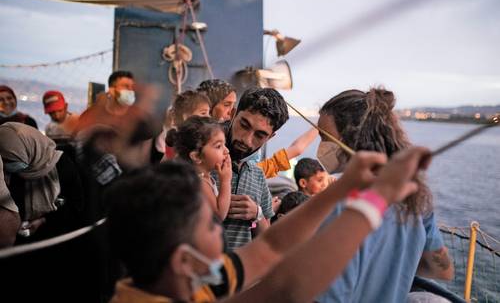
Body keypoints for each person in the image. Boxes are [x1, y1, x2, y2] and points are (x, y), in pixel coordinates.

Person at [107, 147, 433, 303]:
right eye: (209, 226)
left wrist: (342, 187)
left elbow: (269, 247)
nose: (218, 230)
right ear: (182, 260)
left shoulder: (190, 281)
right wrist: (376, 200)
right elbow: (285, 289)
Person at [316, 88, 454, 303]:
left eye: (324, 137)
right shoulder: (416, 203)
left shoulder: (341, 208)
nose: (320, 147)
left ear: (351, 139)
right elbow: (442, 270)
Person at [220, 87, 289, 249]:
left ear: (270, 137)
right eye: (244, 125)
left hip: (238, 272)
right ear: (233, 114)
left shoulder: (257, 175)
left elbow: (266, 239)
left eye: (260, 135)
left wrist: (256, 214)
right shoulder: (200, 160)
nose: (246, 140)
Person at [0, 122, 85, 243]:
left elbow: (76, 206)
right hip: (22, 242)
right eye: (3, 159)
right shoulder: (7, 173)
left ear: (28, 147)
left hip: (57, 239)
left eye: (11, 159)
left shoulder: (62, 165)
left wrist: (43, 221)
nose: (7, 164)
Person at [76, 70, 158, 170]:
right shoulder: (91, 115)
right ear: (111, 90)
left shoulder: (140, 117)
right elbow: (78, 146)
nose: (130, 91)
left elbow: (146, 153)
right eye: (125, 86)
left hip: (132, 174)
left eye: (132, 87)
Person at [166, 116, 232, 220]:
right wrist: (226, 181)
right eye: (219, 146)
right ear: (196, 156)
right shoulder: (199, 182)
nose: (227, 150)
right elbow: (218, 216)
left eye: (225, 144)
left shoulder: (204, 178)